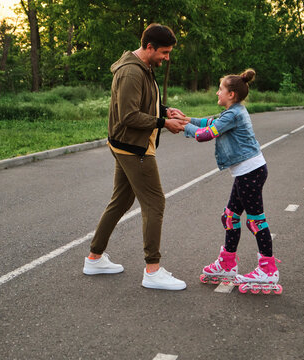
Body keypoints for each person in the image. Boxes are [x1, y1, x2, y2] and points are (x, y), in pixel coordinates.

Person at [83, 24, 188, 291]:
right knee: (155, 203)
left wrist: (163, 110)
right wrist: (163, 122)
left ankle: (94, 257)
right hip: (133, 147)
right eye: (164, 52)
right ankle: (153, 270)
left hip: (127, 144)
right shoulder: (131, 71)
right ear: (149, 47)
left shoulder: (143, 67)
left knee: (121, 201)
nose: (167, 57)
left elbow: (142, 102)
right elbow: (128, 116)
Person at [175, 69, 281, 292]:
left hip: (250, 172)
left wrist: (184, 127)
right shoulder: (232, 112)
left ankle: (268, 269)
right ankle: (227, 263)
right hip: (246, 172)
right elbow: (210, 121)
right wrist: (186, 118)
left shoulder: (233, 114)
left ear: (231, 94)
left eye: (220, 89)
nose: (217, 92)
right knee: (230, 217)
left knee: (255, 220)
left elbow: (206, 133)